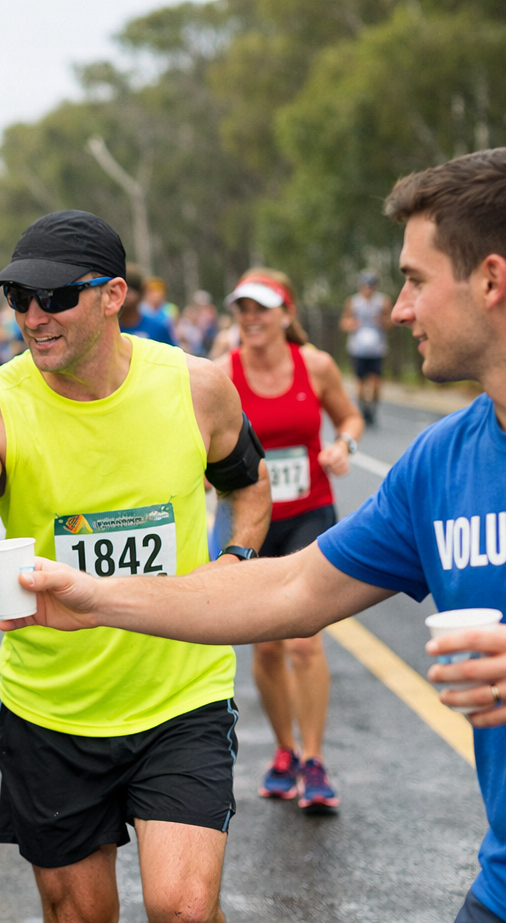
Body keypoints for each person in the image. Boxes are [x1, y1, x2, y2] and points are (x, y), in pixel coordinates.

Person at [0, 149, 506, 923]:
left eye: (414, 281)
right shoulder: (441, 463)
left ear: (491, 280)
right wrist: (94, 598)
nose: (398, 307)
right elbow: (291, 590)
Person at [0, 210, 271, 923]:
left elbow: (249, 489)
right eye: (19, 299)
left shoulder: (195, 384)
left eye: (55, 297)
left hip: (181, 689)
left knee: (183, 913)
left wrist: (232, 564)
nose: (34, 316)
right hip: (52, 705)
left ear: (113, 296)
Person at [218, 268, 363, 812]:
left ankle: (316, 760)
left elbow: (347, 415)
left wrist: (343, 444)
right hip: (252, 519)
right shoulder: (221, 373)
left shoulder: (316, 365)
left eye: (261, 308)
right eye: (243, 309)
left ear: (286, 313)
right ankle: (284, 753)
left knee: (305, 638)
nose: (251, 318)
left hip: (309, 514)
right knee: (267, 644)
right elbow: (201, 439)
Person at [341, 270, 391, 425]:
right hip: (358, 348)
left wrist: (382, 321)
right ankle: (364, 409)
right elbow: (344, 323)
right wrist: (352, 324)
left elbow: (391, 323)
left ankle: (373, 408)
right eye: (365, 285)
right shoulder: (353, 302)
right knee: (360, 382)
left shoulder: (383, 301)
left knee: (376, 381)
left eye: (371, 286)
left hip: (377, 348)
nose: (368, 289)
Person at [119, 265, 177, 346]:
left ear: (141, 292)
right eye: (122, 289)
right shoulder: (108, 328)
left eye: (133, 288)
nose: (127, 295)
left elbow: (174, 354)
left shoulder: (158, 327)